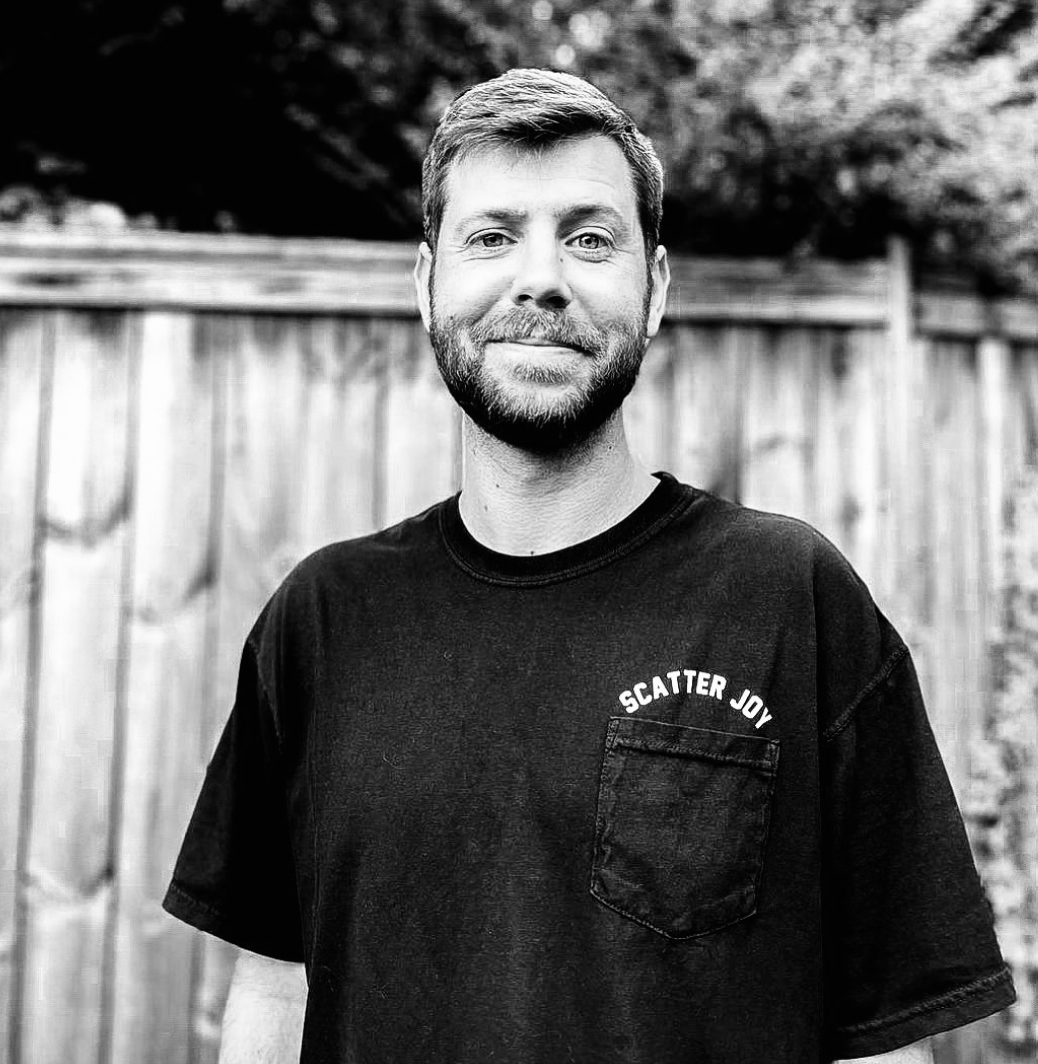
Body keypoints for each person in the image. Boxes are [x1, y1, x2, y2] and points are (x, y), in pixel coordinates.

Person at [163, 68, 1016, 1063]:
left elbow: (882, 1041)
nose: (541, 277)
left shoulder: (788, 600)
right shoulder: (322, 621)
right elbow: (275, 989)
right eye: (490, 235)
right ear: (425, 281)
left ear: (653, 289)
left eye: (587, 236)